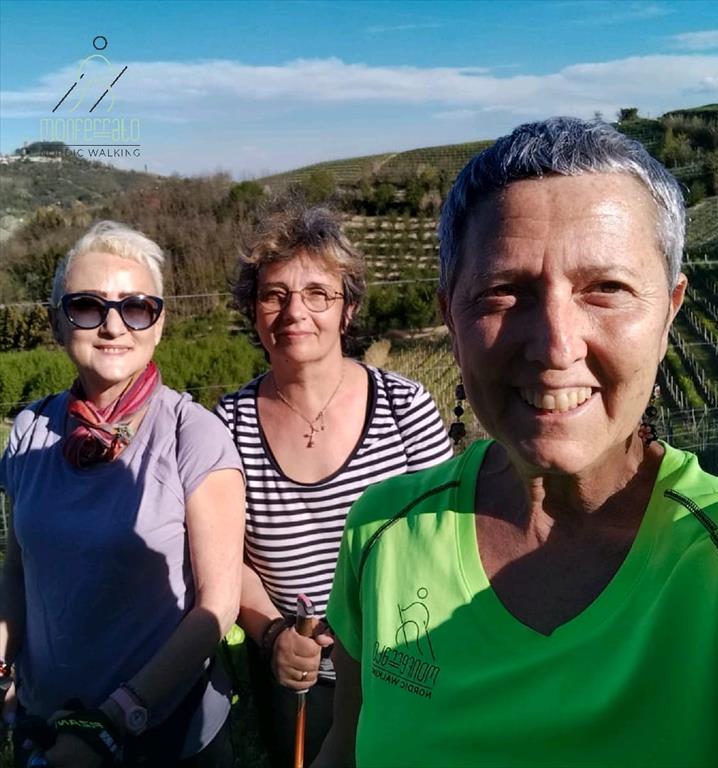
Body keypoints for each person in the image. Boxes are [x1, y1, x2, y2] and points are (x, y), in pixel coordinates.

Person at [316, 118, 718, 768]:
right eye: (504, 292)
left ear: (669, 310)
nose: (556, 347)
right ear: (451, 320)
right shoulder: (382, 533)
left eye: (606, 289)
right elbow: (344, 748)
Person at [215, 200, 452, 768]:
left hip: (409, 670)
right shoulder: (227, 427)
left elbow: (447, 538)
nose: (295, 311)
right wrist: (274, 634)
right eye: (274, 295)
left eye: (318, 293)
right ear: (253, 311)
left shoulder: (404, 408)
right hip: (299, 684)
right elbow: (227, 558)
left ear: (348, 310)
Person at [0, 221, 245, 767]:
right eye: (87, 306)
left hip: (163, 734)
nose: (113, 325)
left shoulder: (193, 435)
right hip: (45, 726)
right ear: (58, 323)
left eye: (136, 308)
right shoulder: (30, 430)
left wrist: (113, 721)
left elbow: (217, 605)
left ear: (158, 325)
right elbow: (17, 572)